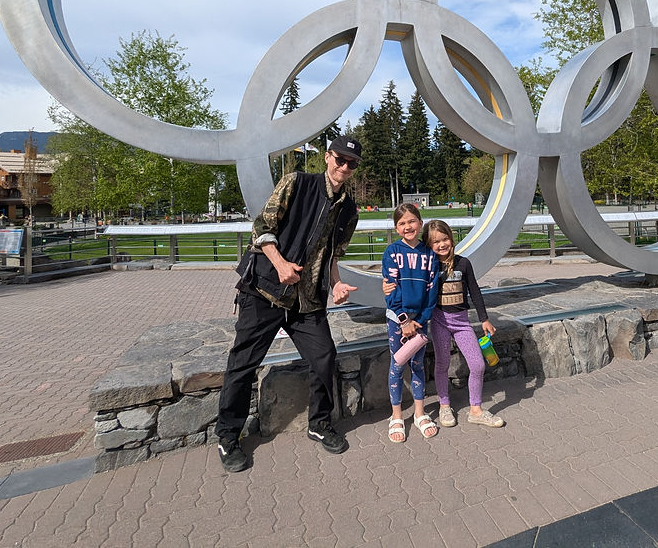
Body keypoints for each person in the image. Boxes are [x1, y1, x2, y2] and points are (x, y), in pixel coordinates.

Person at [214, 136, 362, 472]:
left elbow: (333, 256)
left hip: (306, 300)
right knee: (243, 364)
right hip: (264, 291)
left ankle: (319, 423)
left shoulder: (349, 210)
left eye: (351, 163)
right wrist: (280, 264)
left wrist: (336, 284)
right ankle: (227, 436)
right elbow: (262, 228)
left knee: (324, 357)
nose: (344, 167)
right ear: (327, 157)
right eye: (340, 159)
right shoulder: (297, 182)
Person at [385, 219, 504, 429]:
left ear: (451, 238)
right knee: (442, 364)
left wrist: (484, 318)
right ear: (428, 245)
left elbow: (474, 291)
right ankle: (444, 405)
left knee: (477, 364)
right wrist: (388, 286)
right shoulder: (429, 265)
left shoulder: (464, 263)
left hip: (462, 323)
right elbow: (411, 281)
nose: (441, 245)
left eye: (444, 239)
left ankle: (475, 409)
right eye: (435, 242)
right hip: (439, 321)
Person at [382, 203, 439, 442]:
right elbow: (391, 290)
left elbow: (431, 291)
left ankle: (419, 412)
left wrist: (420, 320)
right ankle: (396, 416)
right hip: (398, 321)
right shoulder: (392, 252)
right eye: (402, 223)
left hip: (419, 323)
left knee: (417, 366)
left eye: (411, 221)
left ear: (420, 222)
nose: (408, 226)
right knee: (397, 366)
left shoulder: (429, 255)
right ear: (397, 228)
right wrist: (404, 320)